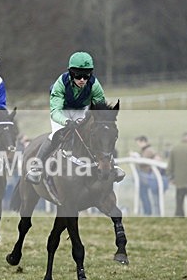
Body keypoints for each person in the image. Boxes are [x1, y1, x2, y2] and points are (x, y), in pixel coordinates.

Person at [25, 51, 125, 184]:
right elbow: (55, 111)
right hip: (62, 111)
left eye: (86, 75)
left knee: (101, 132)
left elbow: (100, 108)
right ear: (71, 73)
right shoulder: (61, 84)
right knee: (56, 134)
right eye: (78, 75)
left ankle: (112, 164)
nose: (82, 79)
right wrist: (66, 122)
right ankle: (36, 167)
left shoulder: (94, 85)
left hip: (81, 110)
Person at [133, 135, 162, 215]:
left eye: (138, 143)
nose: (138, 145)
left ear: (143, 142)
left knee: (146, 195)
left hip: (147, 177)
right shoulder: (146, 150)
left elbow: (143, 162)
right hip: (146, 176)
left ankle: (148, 211)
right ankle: (149, 211)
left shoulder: (148, 151)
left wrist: (137, 157)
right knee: (145, 195)